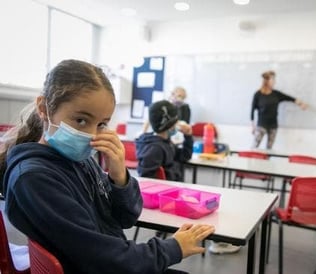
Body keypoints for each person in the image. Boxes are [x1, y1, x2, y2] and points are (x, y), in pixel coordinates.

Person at [0, 59, 214, 274]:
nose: (93, 134)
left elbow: (126, 218)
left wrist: (119, 178)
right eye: (81, 120)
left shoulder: (80, 160)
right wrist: (172, 248)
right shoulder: (34, 178)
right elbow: (101, 257)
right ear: (43, 108)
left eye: (102, 124)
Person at [135, 100, 193, 182]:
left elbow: (185, 156)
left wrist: (188, 136)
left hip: (173, 188)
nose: (178, 124)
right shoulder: (154, 149)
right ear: (169, 125)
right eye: (176, 122)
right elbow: (147, 180)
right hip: (165, 192)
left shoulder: (166, 142)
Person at [251, 70, 308, 149]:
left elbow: (290, 98)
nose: (275, 81)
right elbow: (252, 110)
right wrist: (253, 126)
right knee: (254, 147)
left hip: (273, 126)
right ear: (267, 81)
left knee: (269, 149)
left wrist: (301, 104)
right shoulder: (258, 94)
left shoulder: (276, 94)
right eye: (273, 79)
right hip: (261, 125)